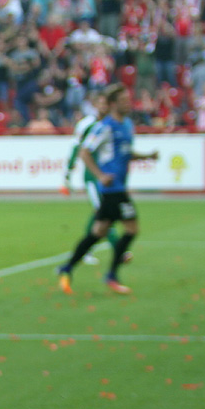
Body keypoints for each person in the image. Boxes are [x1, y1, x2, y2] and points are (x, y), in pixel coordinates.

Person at [56, 84, 159, 295]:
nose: (128, 104)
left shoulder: (127, 124)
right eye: (123, 101)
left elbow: (126, 152)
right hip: (113, 189)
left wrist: (147, 156)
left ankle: (67, 268)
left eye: (128, 100)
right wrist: (100, 175)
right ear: (113, 104)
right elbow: (84, 152)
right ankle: (111, 275)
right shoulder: (104, 127)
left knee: (98, 232)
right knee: (131, 229)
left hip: (117, 188)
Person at [62, 91, 122, 265]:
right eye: (101, 103)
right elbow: (76, 147)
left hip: (107, 176)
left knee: (100, 212)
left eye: (106, 103)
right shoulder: (86, 124)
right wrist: (68, 171)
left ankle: (85, 250)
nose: (104, 106)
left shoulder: (111, 124)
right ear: (95, 105)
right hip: (92, 177)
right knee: (102, 212)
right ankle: (119, 250)